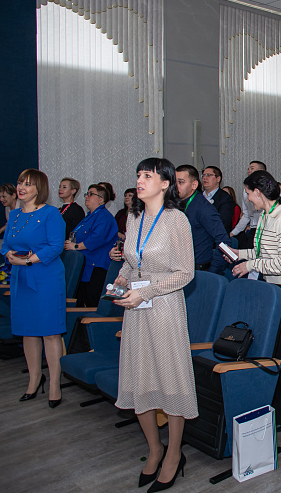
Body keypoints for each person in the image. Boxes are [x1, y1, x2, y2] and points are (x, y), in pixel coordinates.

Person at [112, 158, 195, 492]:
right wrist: (122, 279)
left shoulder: (177, 220)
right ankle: (154, 448)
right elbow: (133, 262)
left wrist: (144, 291)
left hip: (164, 306)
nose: (140, 180)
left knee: (170, 379)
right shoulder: (134, 217)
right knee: (139, 377)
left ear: (165, 183)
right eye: (138, 175)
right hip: (135, 307)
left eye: (148, 175)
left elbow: (185, 273)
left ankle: (174, 454)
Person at [230, 170, 281, 431]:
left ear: (258, 192)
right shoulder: (265, 215)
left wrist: (250, 264)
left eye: (249, 194)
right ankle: (277, 409)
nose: (248, 199)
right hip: (273, 290)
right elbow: (262, 252)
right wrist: (239, 253)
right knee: (274, 353)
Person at [0, 169, 66, 406]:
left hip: (45, 276)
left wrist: (29, 260)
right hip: (21, 277)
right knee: (28, 331)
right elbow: (6, 244)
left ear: (40, 188)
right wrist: (9, 255)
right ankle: (35, 379)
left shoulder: (51, 214)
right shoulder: (14, 214)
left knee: (50, 331)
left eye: (28, 184)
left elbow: (56, 246)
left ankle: (55, 384)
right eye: (20, 183)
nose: (21, 187)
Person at [64, 184, 119, 307]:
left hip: (96, 267)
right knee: (80, 300)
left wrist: (76, 246)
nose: (86, 197)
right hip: (85, 265)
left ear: (101, 200)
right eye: (86, 194)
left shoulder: (104, 216)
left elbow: (97, 238)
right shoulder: (89, 216)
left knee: (92, 302)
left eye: (91, 194)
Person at [173, 164, 231, 274]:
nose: (176, 187)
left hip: (199, 270)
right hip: (180, 268)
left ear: (194, 185)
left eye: (180, 182)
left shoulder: (203, 207)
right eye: (174, 183)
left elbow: (224, 241)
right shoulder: (178, 204)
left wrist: (213, 272)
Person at [231, 161, 267, 247]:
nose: (249, 171)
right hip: (254, 229)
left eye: (252, 168)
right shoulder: (246, 190)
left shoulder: (270, 187)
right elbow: (246, 214)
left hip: (267, 229)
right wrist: (233, 232)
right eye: (248, 169)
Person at [201, 166, 235, 234]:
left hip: (216, 237)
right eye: (203, 175)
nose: (205, 178)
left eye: (208, 175)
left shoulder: (226, 199)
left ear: (218, 179)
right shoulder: (198, 197)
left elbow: (222, 223)